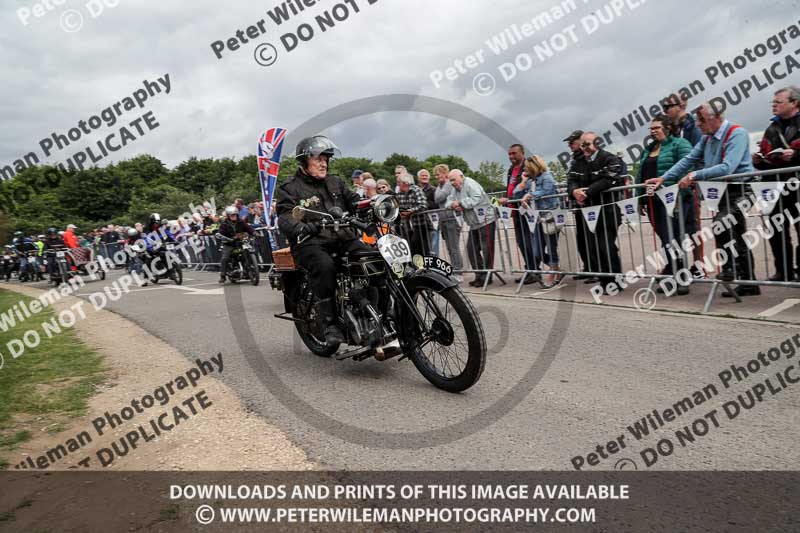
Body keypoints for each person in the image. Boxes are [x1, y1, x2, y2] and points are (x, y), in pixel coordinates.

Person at [276, 135, 370, 346]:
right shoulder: (290, 188)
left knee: (373, 258)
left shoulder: (335, 181)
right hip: (310, 242)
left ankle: (377, 309)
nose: (323, 163)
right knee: (325, 266)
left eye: (326, 159)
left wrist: (376, 206)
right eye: (318, 158)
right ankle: (329, 324)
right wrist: (301, 226)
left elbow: (355, 201)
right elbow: (284, 216)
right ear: (304, 161)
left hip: (342, 237)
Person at [657, 102, 757, 297]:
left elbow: (728, 167)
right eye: (697, 119)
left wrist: (694, 176)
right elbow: (688, 159)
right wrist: (664, 177)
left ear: (716, 116)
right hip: (722, 191)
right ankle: (749, 282)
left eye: (701, 119)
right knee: (737, 233)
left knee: (722, 223)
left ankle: (730, 269)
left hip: (741, 190)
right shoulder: (707, 138)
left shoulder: (737, 133)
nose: (698, 124)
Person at [637, 114, 694, 295]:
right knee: (666, 240)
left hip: (674, 199)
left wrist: (671, 187)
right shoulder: (648, 149)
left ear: (668, 127)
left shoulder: (680, 144)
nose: (653, 131)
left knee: (675, 239)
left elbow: (687, 168)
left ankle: (681, 278)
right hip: (654, 201)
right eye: (651, 128)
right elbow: (640, 176)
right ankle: (672, 273)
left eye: (656, 128)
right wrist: (640, 198)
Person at [753, 86, 800, 281]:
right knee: (775, 229)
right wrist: (759, 160)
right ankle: (783, 270)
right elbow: (766, 154)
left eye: (778, 102)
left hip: (796, 184)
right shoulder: (772, 128)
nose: (774, 105)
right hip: (773, 186)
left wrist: (796, 155)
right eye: (773, 102)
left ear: (794, 103)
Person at [568, 132, 624, 294]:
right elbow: (570, 180)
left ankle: (615, 280)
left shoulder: (610, 158)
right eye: (582, 144)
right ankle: (605, 280)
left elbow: (609, 179)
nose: (584, 148)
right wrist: (574, 191)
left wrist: (587, 192)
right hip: (588, 212)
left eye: (588, 144)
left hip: (607, 210)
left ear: (597, 144)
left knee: (606, 246)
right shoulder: (578, 162)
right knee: (593, 248)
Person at [446, 169, 497, 287]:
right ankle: (479, 275)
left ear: (461, 177)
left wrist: (460, 204)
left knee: (487, 249)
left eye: (453, 180)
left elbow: (476, 198)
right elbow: (448, 201)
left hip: (486, 220)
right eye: (450, 181)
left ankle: (487, 276)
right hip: (473, 223)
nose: (452, 183)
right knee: (471, 249)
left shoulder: (470, 183)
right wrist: (453, 205)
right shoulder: (455, 189)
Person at [522, 156, 562, 286]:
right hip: (537, 218)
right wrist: (523, 182)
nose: (525, 170)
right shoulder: (530, 181)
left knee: (551, 247)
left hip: (550, 217)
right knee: (536, 251)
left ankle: (553, 272)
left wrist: (530, 195)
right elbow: (519, 192)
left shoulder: (547, 177)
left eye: (527, 167)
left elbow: (546, 191)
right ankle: (556, 268)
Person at [499, 144, 535, 283]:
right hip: (515, 210)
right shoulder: (510, 169)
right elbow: (511, 187)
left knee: (529, 242)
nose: (511, 157)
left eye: (514, 153)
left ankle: (537, 269)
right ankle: (529, 269)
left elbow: (526, 188)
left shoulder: (528, 166)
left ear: (522, 153)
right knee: (521, 242)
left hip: (526, 209)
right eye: (509, 154)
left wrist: (510, 199)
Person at [563, 130, 593, 281]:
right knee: (582, 238)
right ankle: (588, 267)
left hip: (592, 204)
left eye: (572, 142)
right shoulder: (575, 160)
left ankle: (597, 268)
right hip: (579, 205)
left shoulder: (589, 157)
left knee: (593, 238)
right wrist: (573, 191)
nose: (569, 146)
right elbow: (571, 181)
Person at [433, 164, 463, 281]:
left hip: (452, 219)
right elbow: (437, 197)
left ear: (445, 173)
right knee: (450, 247)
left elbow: (438, 198)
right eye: (435, 175)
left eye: (438, 174)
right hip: (444, 220)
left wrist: (439, 191)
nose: (436, 177)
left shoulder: (448, 185)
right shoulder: (440, 186)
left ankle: (458, 271)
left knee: (454, 246)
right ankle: (455, 269)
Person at [217, 205, 255, 284]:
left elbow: (248, 228)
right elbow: (220, 233)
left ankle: (249, 270)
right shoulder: (224, 224)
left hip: (239, 242)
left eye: (235, 214)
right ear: (228, 216)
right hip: (229, 243)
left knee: (247, 252)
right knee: (225, 258)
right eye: (232, 215)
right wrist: (224, 237)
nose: (234, 216)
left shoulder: (240, 222)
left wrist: (254, 232)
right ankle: (222, 275)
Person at [396, 174, 428, 256]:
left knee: (419, 246)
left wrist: (410, 211)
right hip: (406, 226)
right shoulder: (399, 193)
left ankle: (426, 266)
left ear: (405, 183)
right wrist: (401, 213)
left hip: (419, 224)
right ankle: (416, 266)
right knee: (410, 246)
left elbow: (423, 205)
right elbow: (398, 207)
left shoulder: (416, 190)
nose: (398, 184)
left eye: (399, 182)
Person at [418, 169, 438, 255]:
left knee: (433, 248)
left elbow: (437, 205)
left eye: (426, 175)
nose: (424, 177)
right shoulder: (417, 190)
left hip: (432, 223)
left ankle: (436, 267)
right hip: (420, 224)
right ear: (418, 178)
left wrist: (423, 203)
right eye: (422, 175)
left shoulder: (434, 190)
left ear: (429, 177)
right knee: (424, 249)